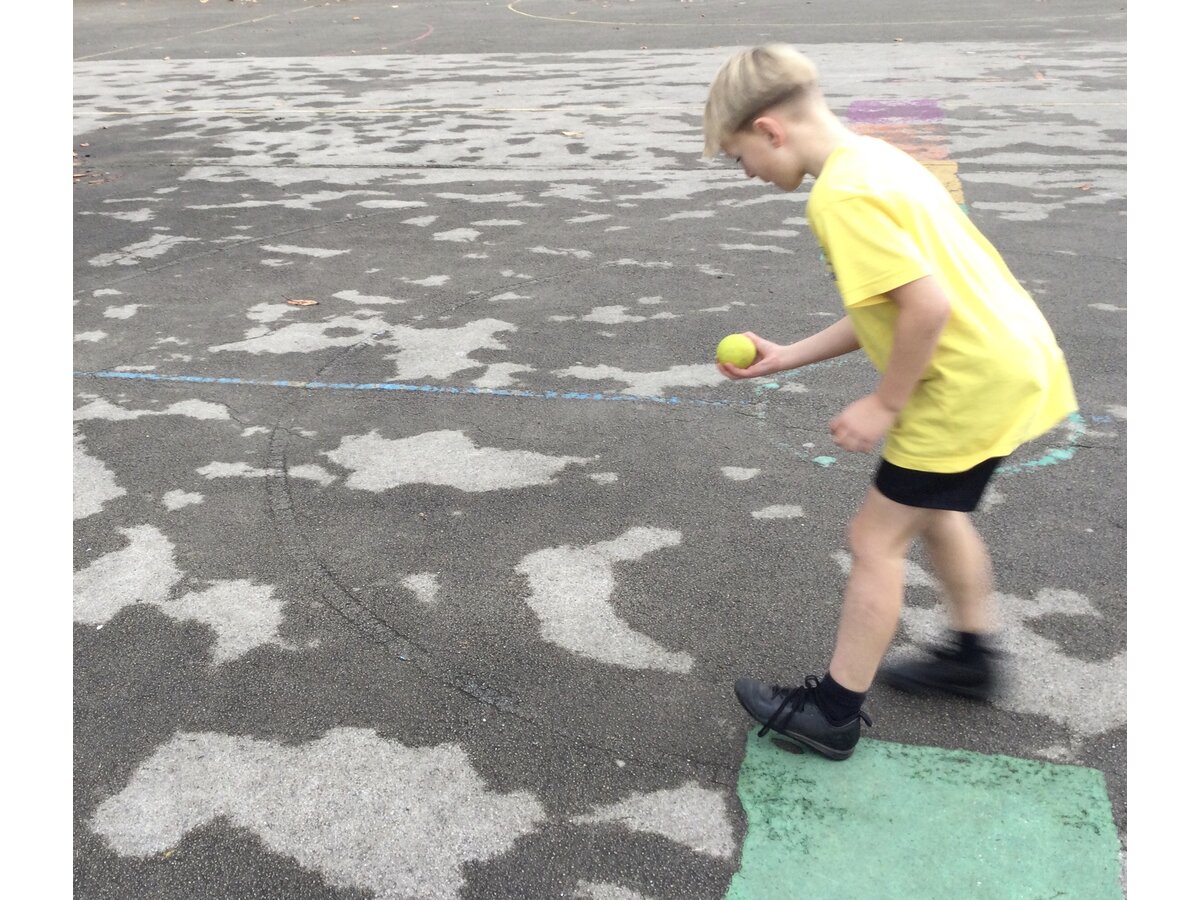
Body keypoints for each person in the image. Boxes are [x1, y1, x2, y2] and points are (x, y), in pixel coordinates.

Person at [703, 45, 1078, 761]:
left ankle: (833, 712)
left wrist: (884, 401)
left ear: (770, 129)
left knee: (875, 539)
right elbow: (892, 303)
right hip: (1006, 363)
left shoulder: (840, 197)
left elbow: (926, 309)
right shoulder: (875, 161)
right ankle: (972, 656)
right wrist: (788, 355)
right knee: (935, 511)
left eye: (737, 155)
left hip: (960, 384)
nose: (745, 171)